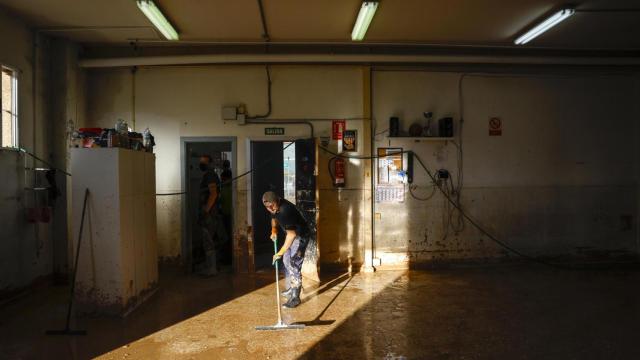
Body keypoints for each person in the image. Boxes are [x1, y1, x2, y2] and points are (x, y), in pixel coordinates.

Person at [262, 191, 310, 308]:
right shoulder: (273, 208)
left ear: (277, 201)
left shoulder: (285, 210)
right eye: (268, 207)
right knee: (286, 261)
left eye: (272, 205)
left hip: (300, 236)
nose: (271, 208)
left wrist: (280, 252)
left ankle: (295, 297)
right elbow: (274, 217)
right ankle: (293, 287)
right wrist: (274, 230)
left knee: (294, 263)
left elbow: (291, 235)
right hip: (291, 235)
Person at [197, 155, 227, 276]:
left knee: (208, 241)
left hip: (210, 213)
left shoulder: (209, 175)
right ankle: (213, 265)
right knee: (214, 239)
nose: (201, 164)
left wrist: (205, 211)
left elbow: (213, 194)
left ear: (209, 163)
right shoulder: (210, 175)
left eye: (203, 162)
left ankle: (211, 269)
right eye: (201, 162)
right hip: (213, 212)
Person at [218, 160, 233, 265]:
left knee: (227, 238)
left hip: (229, 216)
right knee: (225, 237)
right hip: (225, 215)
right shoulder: (222, 188)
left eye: (223, 179)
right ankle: (226, 258)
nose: (222, 181)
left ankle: (228, 259)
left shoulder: (231, 189)